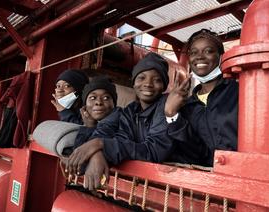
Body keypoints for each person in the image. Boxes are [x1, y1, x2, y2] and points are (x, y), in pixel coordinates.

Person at [66, 52, 174, 190]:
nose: (148, 84)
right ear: (133, 82)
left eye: (157, 80)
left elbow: (154, 151)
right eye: (141, 77)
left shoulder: (165, 105)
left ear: (164, 86)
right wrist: (96, 152)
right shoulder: (131, 110)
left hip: (170, 184)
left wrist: (99, 144)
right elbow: (121, 140)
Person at [165, 29, 239, 166]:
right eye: (193, 52)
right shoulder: (187, 105)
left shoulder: (238, 92)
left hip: (242, 177)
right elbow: (194, 153)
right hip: (205, 180)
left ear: (221, 57)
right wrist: (172, 115)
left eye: (208, 51)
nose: (199, 56)